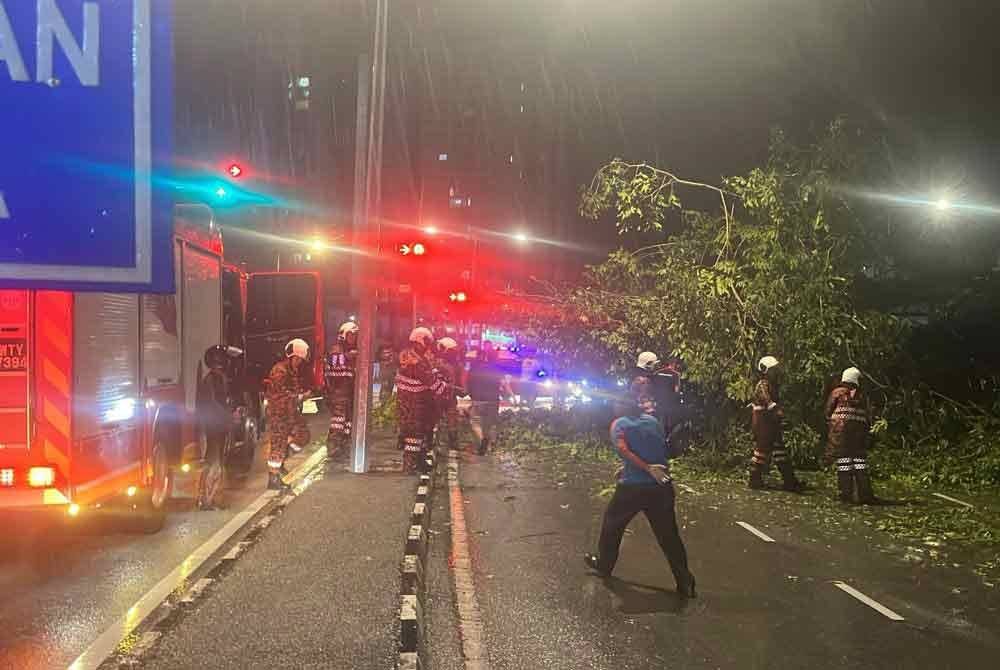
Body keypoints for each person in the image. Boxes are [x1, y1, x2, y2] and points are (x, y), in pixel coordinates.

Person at [584, 385, 697, 599]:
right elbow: (658, 450)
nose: (614, 407)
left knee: (612, 526)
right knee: (669, 536)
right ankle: (685, 581)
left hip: (633, 488)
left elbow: (624, 450)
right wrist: (640, 467)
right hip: (661, 487)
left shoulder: (619, 425)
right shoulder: (653, 422)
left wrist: (644, 468)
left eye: (616, 403)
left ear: (621, 406)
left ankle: (604, 566)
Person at [748, 356, 804, 492]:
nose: (776, 372)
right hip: (763, 422)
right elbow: (767, 400)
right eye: (773, 369)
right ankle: (754, 480)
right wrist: (777, 411)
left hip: (770, 421)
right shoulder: (762, 384)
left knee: (780, 451)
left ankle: (789, 481)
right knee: (761, 450)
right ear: (765, 370)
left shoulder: (772, 384)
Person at [396, 327, 446, 473]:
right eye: (427, 343)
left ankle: (418, 462)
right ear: (419, 341)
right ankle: (410, 465)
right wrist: (446, 389)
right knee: (414, 436)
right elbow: (430, 380)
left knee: (417, 435)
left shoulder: (408, 357)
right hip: (414, 405)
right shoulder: (415, 361)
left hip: (410, 404)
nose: (428, 347)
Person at [825, 367, 878, 504]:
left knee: (844, 464)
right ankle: (865, 496)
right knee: (860, 463)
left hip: (840, 435)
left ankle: (845, 496)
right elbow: (869, 415)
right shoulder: (862, 395)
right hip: (859, 436)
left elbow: (827, 412)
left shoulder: (837, 393)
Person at [265, 338, 312, 490]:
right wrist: (299, 397)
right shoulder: (280, 370)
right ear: (293, 356)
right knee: (278, 446)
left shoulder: (292, 371)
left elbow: (292, 392)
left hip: (290, 414)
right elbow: (279, 395)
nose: (299, 362)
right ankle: (273, 479)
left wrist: (301, 395)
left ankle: (280, 464)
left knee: (303, 435)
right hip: (279, 415)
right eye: (298, 359)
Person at [196, 345, 238, 509]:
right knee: (213, 463)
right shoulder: (211, 381)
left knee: (216, 463)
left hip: (217, 427)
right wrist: (229, 416)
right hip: (213, 428)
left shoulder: (217, 379)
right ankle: (206, 500)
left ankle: (209, 499)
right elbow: (214, 404)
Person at [324, 322, 359, 462]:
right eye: (351, 335)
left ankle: (343, 446)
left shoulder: (353, 351)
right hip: (338, 393)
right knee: (338, 422)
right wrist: (350, 356)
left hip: (349, 393)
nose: (354, 338)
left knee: (348, 422)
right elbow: (335, 363)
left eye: (355, 335)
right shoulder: (336, 350)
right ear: (344, 335)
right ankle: (333, 446)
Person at [466, 344, 503, 455]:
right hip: (493, 400)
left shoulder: (475, 368)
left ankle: (482, 439)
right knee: (490, 423)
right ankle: (490, 445)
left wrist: (471, 394)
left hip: (478, 399)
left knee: (476, 422)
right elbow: (501, 384)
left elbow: (469, 383)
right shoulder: (497, 368)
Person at [434, 337, 464, 452]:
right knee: (451, 419)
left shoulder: (437, 363)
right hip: (448, 397)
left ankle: (435, 442)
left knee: (438, 420)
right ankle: (452, 442)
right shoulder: (456, 365)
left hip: (439, 397)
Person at [377, 340, 397, 406]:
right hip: (385, 375)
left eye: (390, 352)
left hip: (391, 375)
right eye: (386, 353)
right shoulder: (379, 365)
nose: (388, 354)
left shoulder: (394, 364)